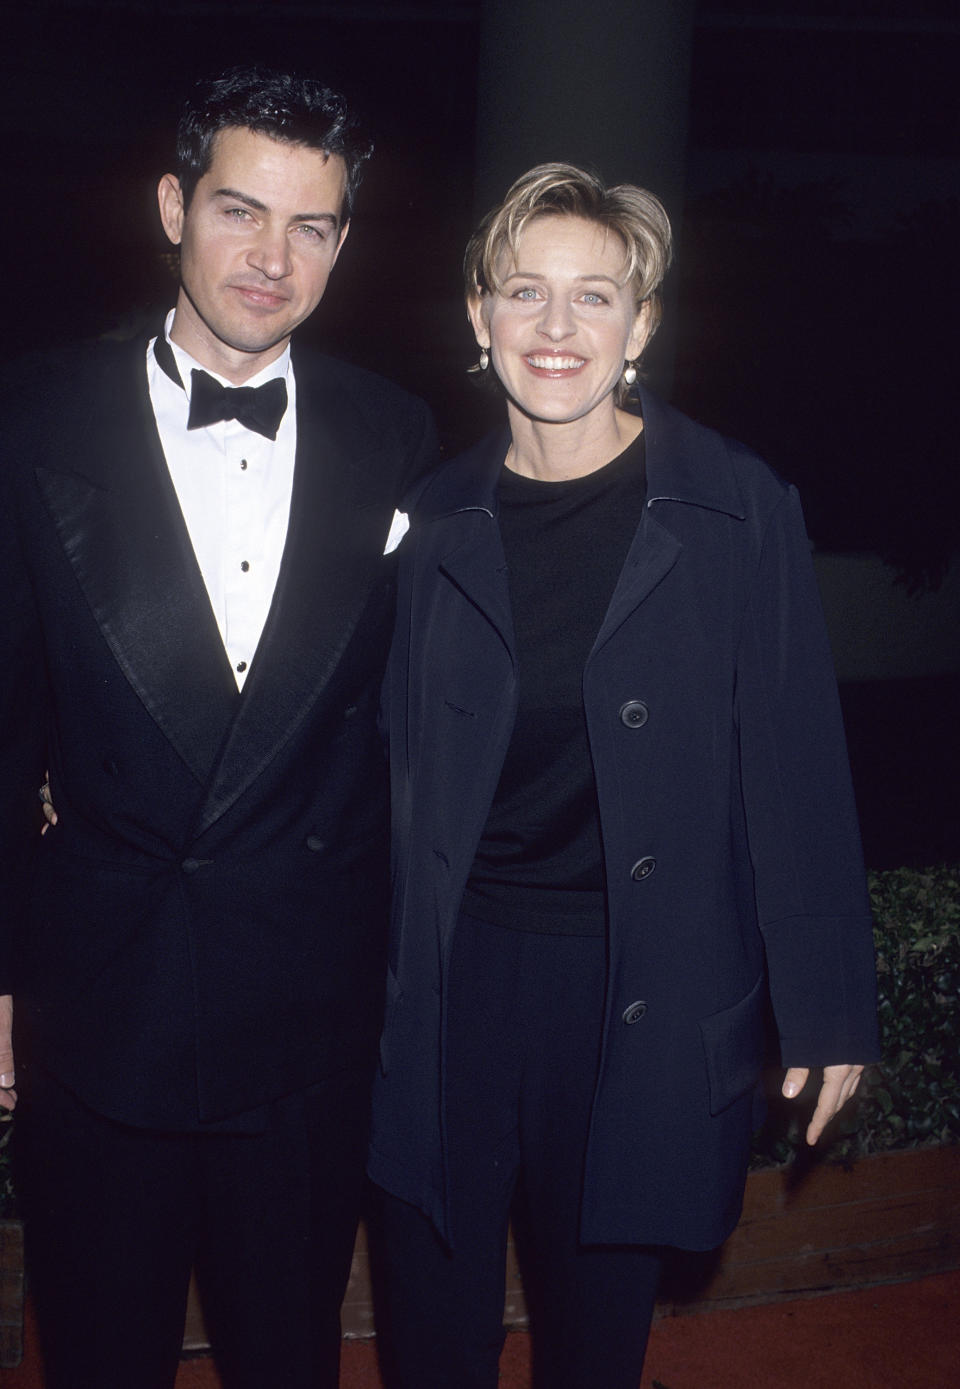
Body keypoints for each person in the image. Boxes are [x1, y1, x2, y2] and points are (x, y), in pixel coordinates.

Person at [367, 163, 879, 1389]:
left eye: (595, 297)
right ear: (477, 319)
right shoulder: (429, 520)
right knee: (434, 1338)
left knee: (596, 1346)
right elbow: (358, 745)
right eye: (525, 294)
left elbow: (796, 764)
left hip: (636, 985)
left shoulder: (734, 507)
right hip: (454, 982)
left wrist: (828, 1004)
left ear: (641, 325)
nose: (557, 329)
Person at [0, 66, 435, 1389]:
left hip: (305, 1019)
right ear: (172, 206)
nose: (273, 255)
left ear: (345, 240)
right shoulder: (28, 418)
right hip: (98, 1005)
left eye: (312, 224)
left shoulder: (400, 433)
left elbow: (418, 723)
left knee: (286, 1356)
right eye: (241, 210)